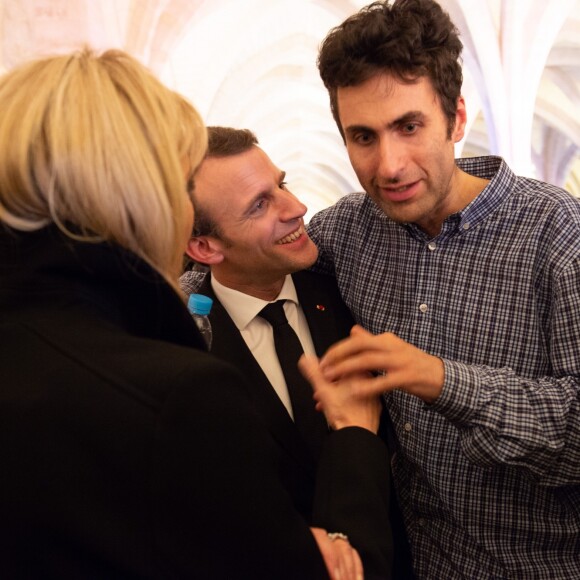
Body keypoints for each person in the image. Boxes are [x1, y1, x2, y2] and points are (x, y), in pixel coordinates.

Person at [0, 48, 393, 580]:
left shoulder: (344, 282)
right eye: (170, 183)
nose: (294, 206)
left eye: (282, 181)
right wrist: (354, 439)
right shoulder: (176, 389)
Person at [306, 0, 580, 578]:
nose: (389, 165)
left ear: (456, 119)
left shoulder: (557, 231)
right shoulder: (347, 229)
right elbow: (250, 257)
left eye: (409, 126)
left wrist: (442, 380)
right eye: (363, 137)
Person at [181, 126, 409, 579]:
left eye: (280, 184)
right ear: (206, 247)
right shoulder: (183, 350)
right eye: (260, 205)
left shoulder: (349, 293)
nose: (297, 208)